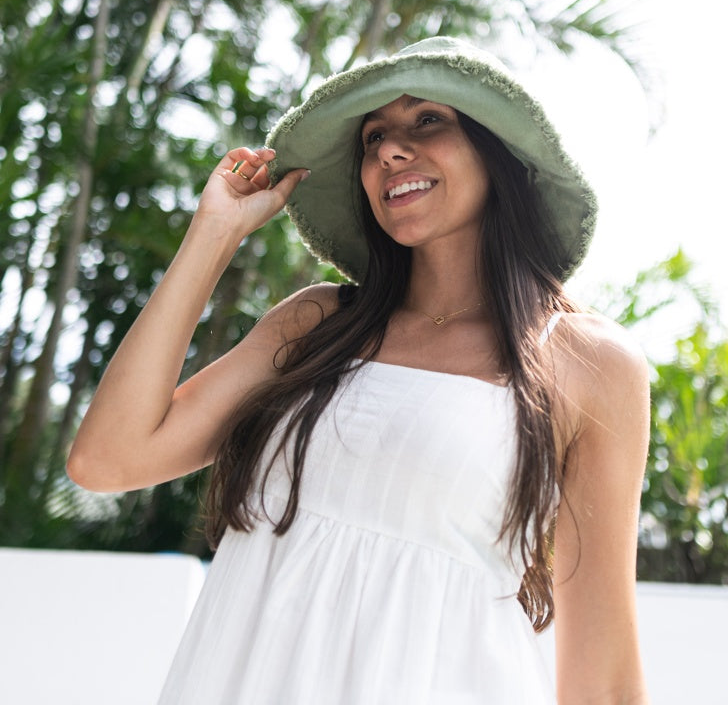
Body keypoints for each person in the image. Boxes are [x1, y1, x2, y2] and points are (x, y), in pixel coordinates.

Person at [67, 36, 650, 704]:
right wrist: (215, 232)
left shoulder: (587, 363)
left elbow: (603, 677)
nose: (389, 151)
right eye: (374, 137)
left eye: (428, 120)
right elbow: (106, 460)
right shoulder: (317, 326)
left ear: (499, 155)